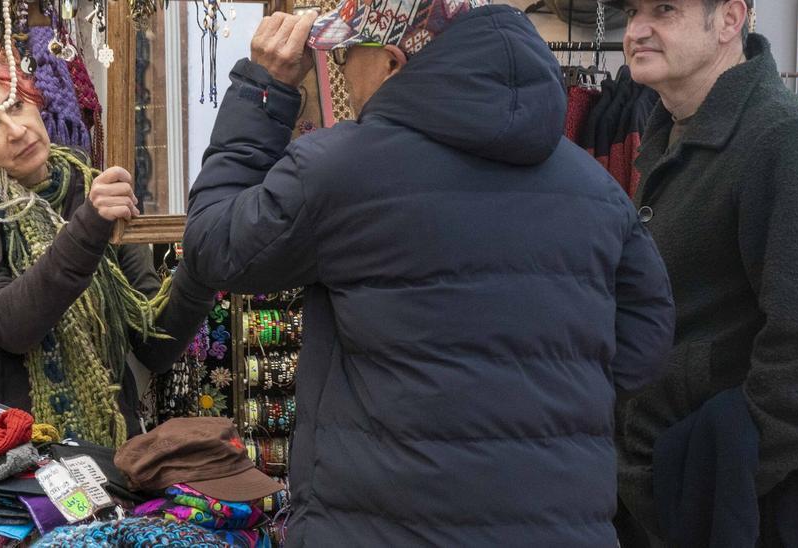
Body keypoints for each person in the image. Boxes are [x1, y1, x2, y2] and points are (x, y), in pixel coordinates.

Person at [181, 1, 676, 545]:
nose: (340, 70)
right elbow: (645, 342)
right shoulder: (596, 188)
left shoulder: (341, 170)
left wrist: (263, 90)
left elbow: (214, 248)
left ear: (393, 63)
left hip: (382, 525)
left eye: (348, 54)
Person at [602, 0, 798, 544]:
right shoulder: (669, 136)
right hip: (653, 480)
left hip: (726, 503)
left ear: (729, 19)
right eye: (632, 12)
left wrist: (716, 465)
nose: (637, 30)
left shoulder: (785, 139)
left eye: (664, 9)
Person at [0, 54, 214, 449]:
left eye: (15, 105)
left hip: (114, 455)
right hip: (16, 465)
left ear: (34, 100)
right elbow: (13, 324)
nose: (15, 131)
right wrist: (89, 227)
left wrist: (203, 267)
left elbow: (156, 345)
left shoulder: (91, 189)